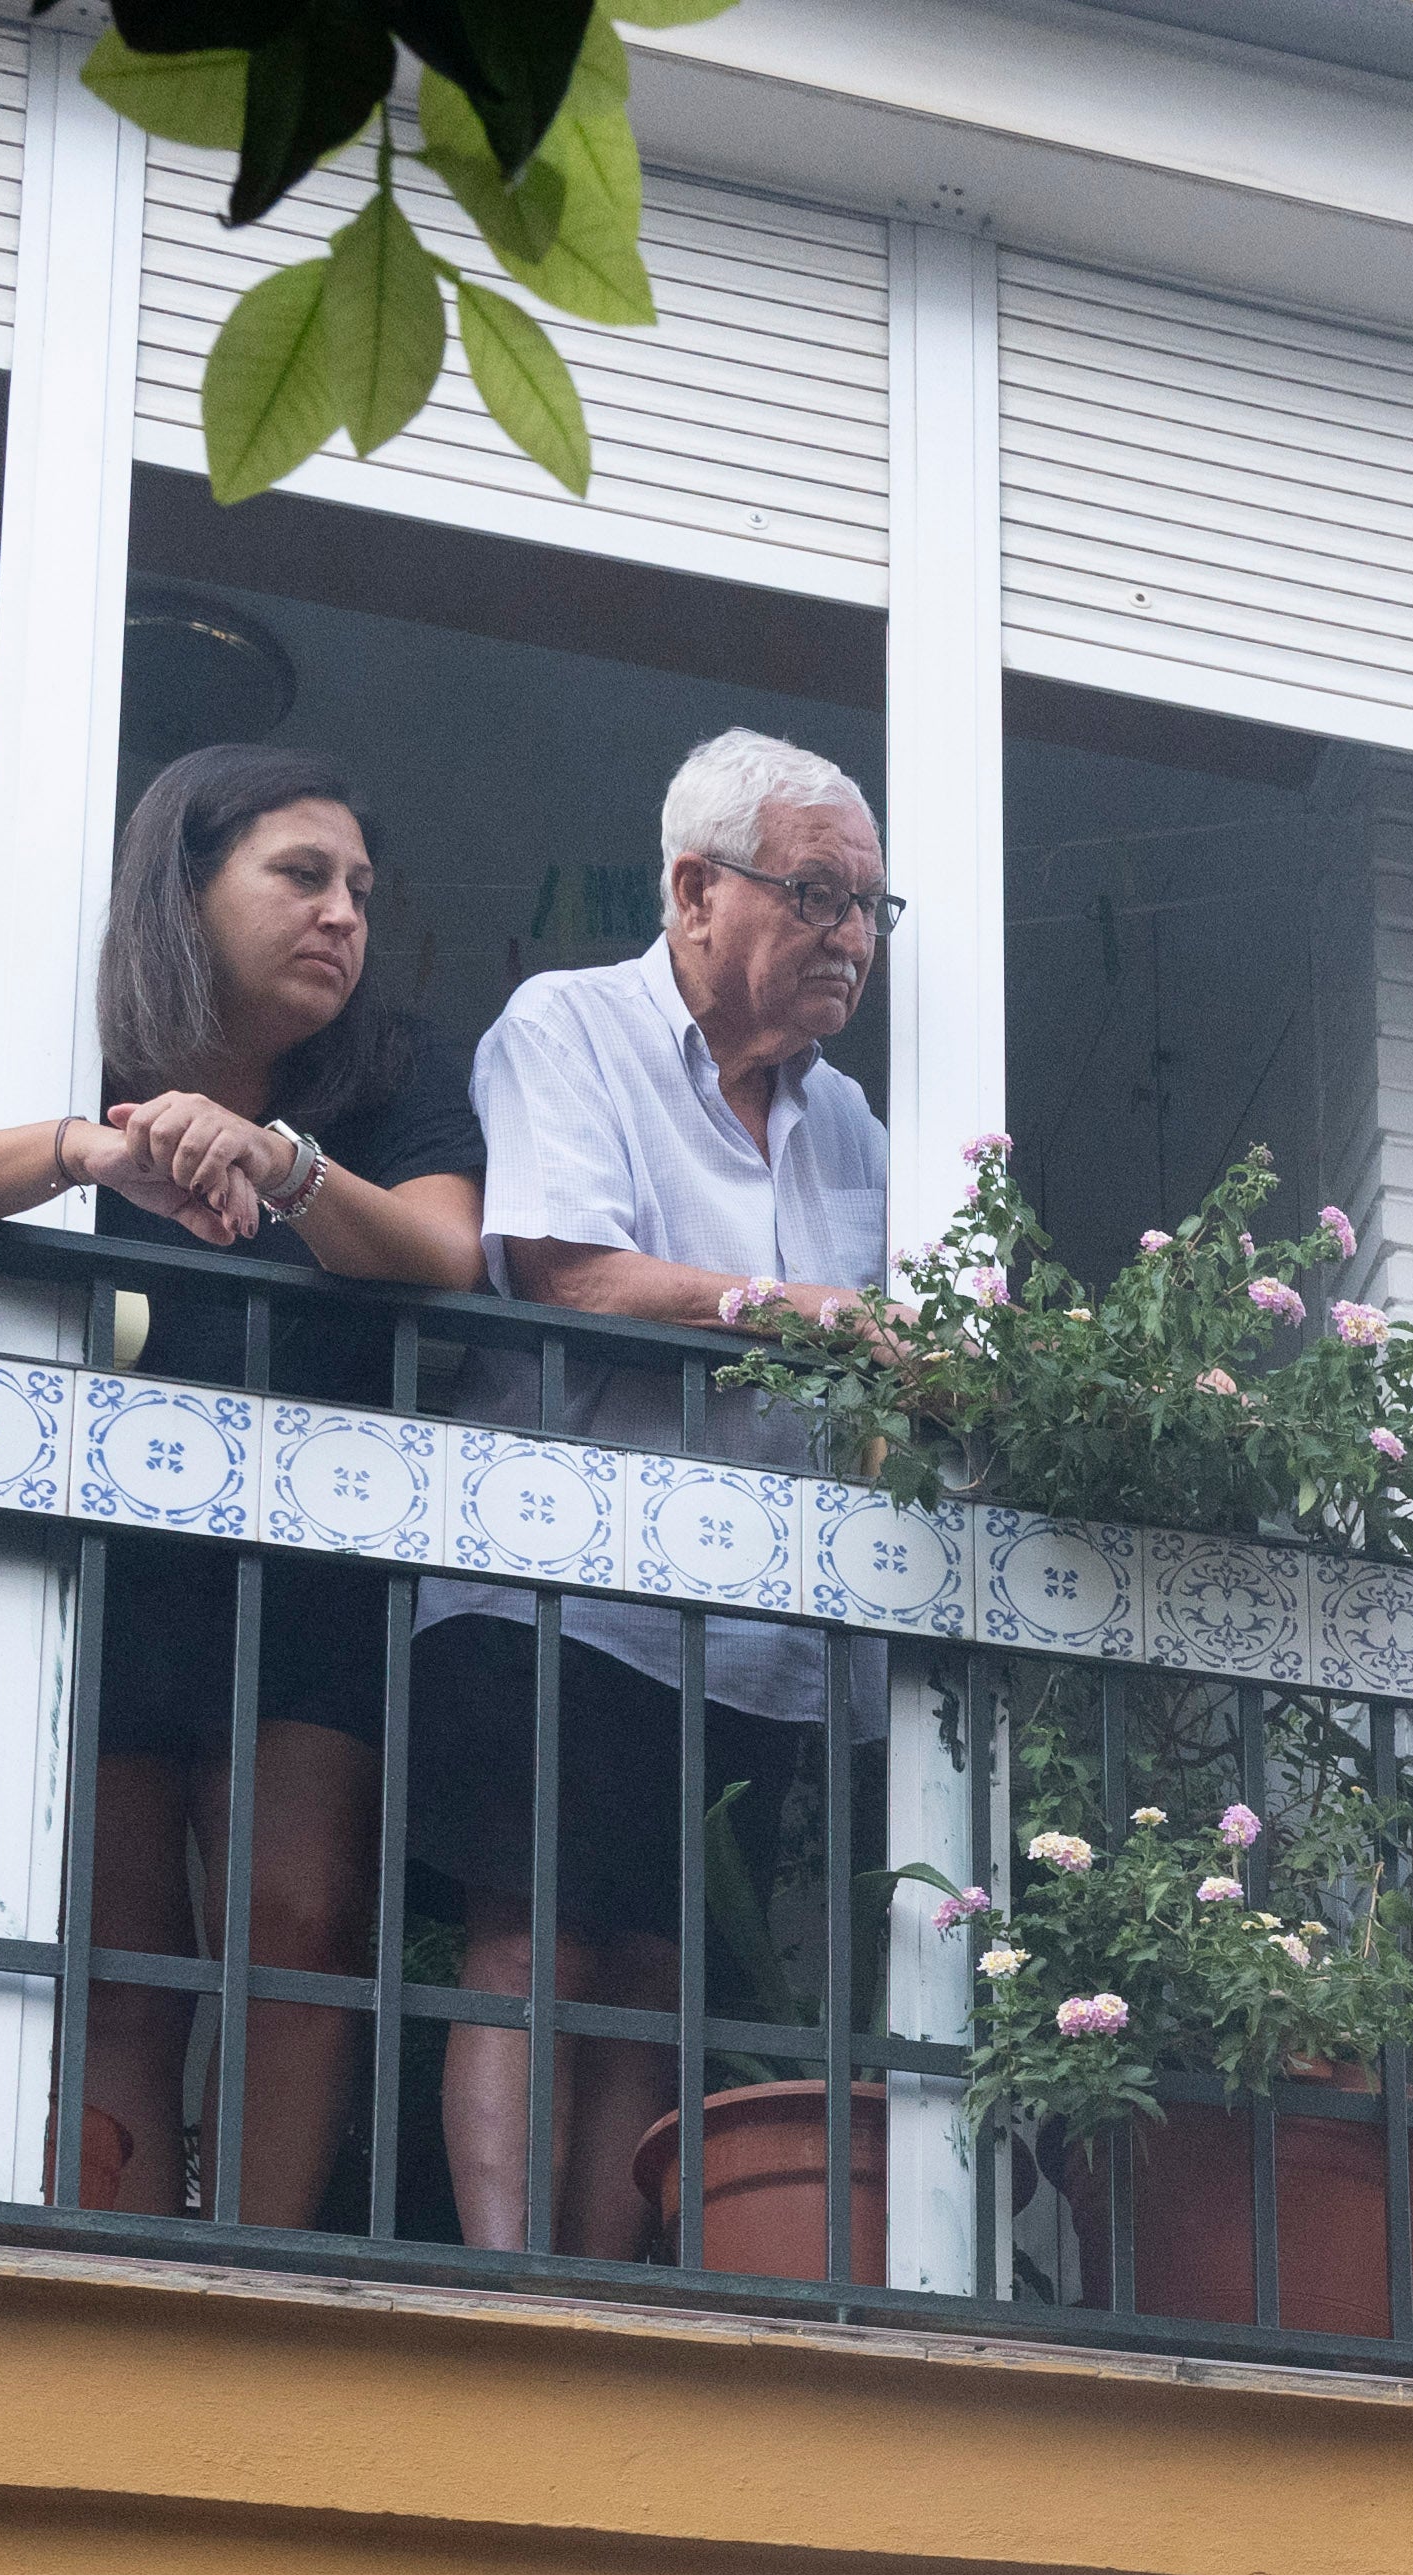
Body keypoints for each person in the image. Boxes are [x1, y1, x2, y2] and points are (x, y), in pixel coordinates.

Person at [0, 744, 484, 2231]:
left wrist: (287, 1166)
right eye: (300, 876)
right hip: (109, 1557)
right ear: (186, 888)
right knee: (125, 1949)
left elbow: (450, 1252)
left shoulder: (390, 1078)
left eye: (361, 892)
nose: (342, 918)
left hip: (317, 1559)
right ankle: (129, 2247)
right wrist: (85, 1150)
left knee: (298, 1927)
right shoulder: (71, 1047)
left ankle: (251, 2260)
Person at [416, 724, 897, 2258]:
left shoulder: (854, 1123)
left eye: (874, 909)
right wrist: (787, 1312)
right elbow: (561, 1266)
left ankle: (596, 2286)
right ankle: (505, 2281)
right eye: (819, 895)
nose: (852, 939)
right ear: (696, 889)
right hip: (561, 1577)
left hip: (750, 1619)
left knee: (652, 1959)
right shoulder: (566, 1027)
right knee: (532, 1936)